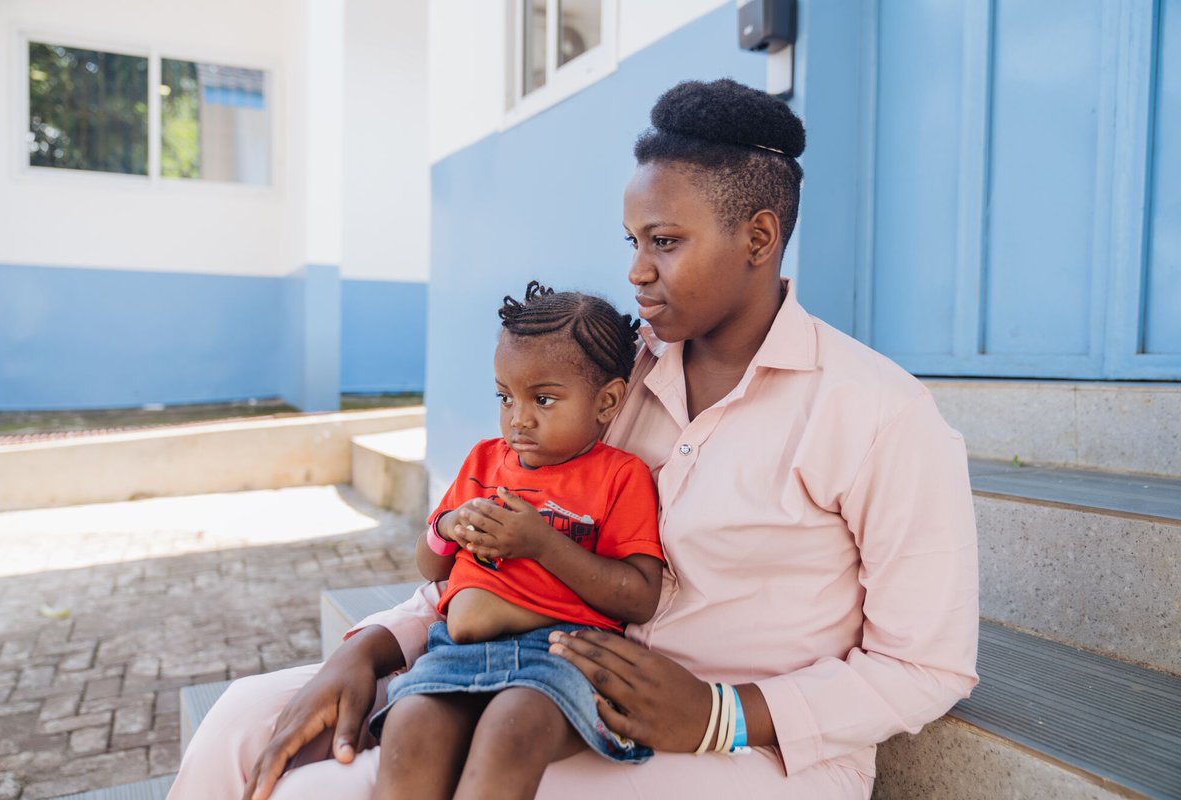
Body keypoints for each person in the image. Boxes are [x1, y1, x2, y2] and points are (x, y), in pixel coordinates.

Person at [169, 78, 978, 800]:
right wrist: (376, 647)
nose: (635, 271)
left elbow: (925, 666)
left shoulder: (878, 414)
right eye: (633, 241)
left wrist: (723, 712)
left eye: (665, 241)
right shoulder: (611, 383)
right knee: (244, 720)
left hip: (750, 752)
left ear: (758, 239)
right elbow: (509, 535)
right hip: (540, 677)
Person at [371, 282, 663, 799]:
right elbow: (430, 566)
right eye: (505, 396)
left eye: (543, 399)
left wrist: (542, 544)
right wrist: (448, 527)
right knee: (409, 727)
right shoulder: (484, 462)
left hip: (556, 655)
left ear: (607, 401)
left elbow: (639, 595)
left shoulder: (620, 476)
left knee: (511, 731)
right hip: (454, 650)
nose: (518, 418)